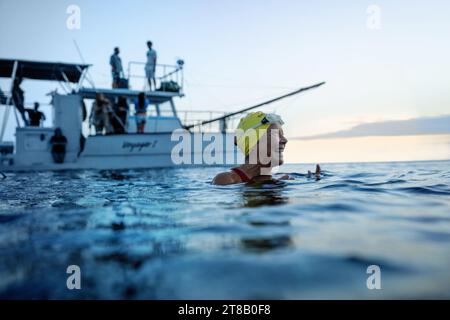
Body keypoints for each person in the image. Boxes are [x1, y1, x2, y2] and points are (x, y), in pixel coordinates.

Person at [212, 111, 321, 185]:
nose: (284, 140)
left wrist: (313, 180)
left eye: (282, 135)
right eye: (275, 135)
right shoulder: (226, 180)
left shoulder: (277, 179)